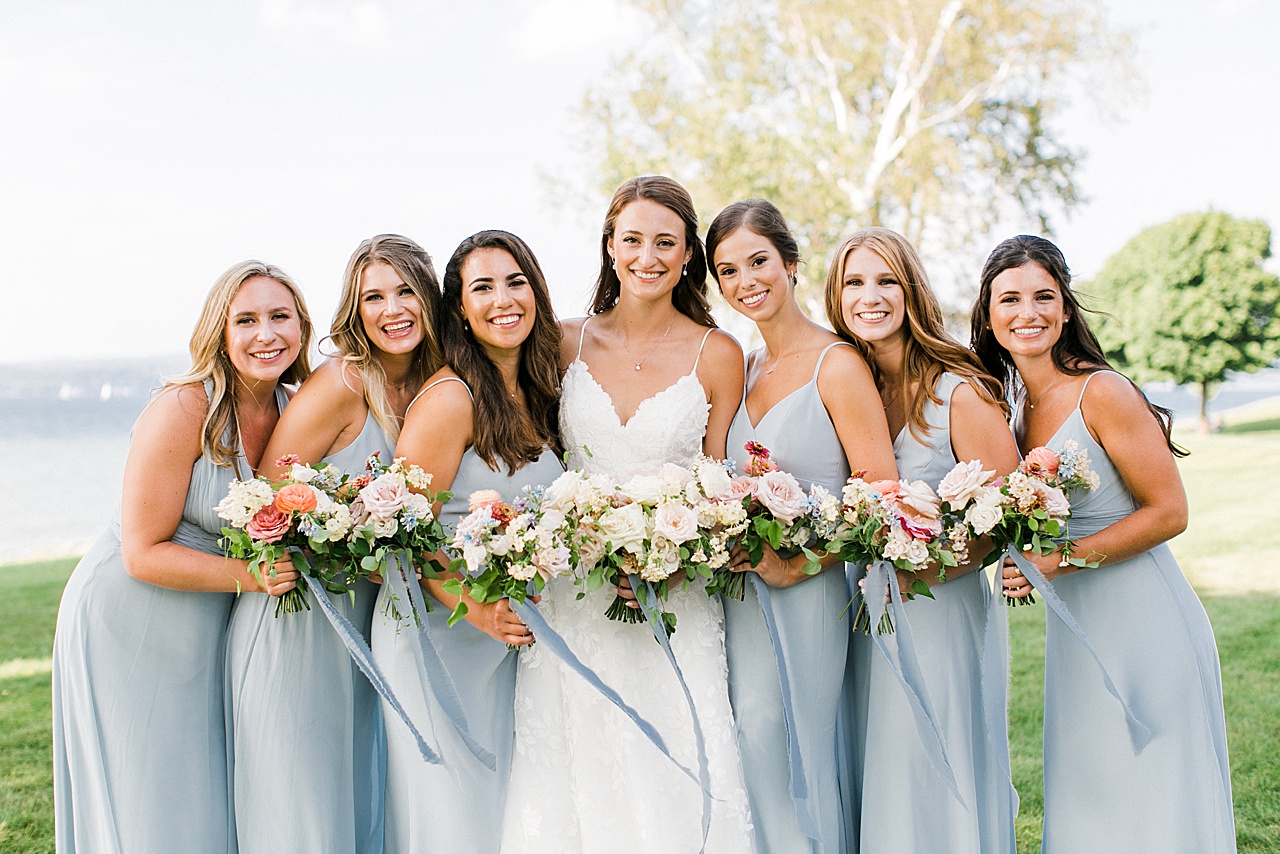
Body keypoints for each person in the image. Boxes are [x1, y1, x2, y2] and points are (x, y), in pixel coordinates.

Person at [501, 176, 754, 852]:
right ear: (610, 247)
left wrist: (675, 556)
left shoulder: (717, 352)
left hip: (677, 595)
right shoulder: (560, 341)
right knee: (574, 775)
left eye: (665, 242)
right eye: (633, 239)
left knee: (678, 761)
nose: (648, 256)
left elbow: (719, 483)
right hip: (573, 593)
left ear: (687, 256)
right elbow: (531, 458)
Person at [972, 234, 1235, 853]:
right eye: (1010, 299)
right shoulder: (1011, 409)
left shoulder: (1103, 391)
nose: (1027, 313)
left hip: (1147, 623)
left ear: (1066, 309)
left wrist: (1056, 561)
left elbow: (1170, 511)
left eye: (1043, 296)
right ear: (988, 313)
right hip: (1080, 630)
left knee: (1157, 795)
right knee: (1095, 789)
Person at [52, 261, 313, 854]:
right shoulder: (184, 408)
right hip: (130, 617)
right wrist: (252, 574)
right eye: (245, 320)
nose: (265, 334)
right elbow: (142, 552)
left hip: (208, 619)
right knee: (146, 797)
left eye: (280, 317)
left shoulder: (295, 406)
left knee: (201, 794)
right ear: (218, 333)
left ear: (302, 327)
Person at [224, 235, 444, 854]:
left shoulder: (436, 385)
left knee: (355, 800)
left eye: (406, 291)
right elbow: (265, 503)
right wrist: (350, 524)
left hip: (367, 623)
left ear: (430, 297)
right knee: (300, 811)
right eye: (374, 296)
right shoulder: (342, 382)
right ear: (355, 307)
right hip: (297, 618)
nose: (392, 309)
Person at [704, 200, 897, 853]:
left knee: (791, 739)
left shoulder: (836, 364)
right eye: (727, 270)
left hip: (809, 589)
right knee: (748, 735)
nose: (746, 280)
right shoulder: (745, 366)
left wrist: (801, 562)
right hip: (738, 596)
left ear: (789, 262)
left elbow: (879, 493)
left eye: (758, 261)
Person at [371, 231, 565, 853]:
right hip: (439, 634)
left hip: (502, 645)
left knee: (497, 819)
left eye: (516, 282)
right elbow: (400, 530)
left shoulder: (537, 393)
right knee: (452, 822)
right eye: (482, 287)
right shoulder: (451, 399)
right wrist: (472, 605)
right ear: (459, 308)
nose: (502, 299)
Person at [829, 227, 1021, 852]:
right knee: (877, 760)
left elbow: (1006, 518)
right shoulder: (846, 384)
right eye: (854, 282)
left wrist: (923, 573)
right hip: (862, 614)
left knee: (930, 758)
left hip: (936, 610)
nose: (870, 297)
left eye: (886, 280)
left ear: (911, 290)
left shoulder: (956, 392)